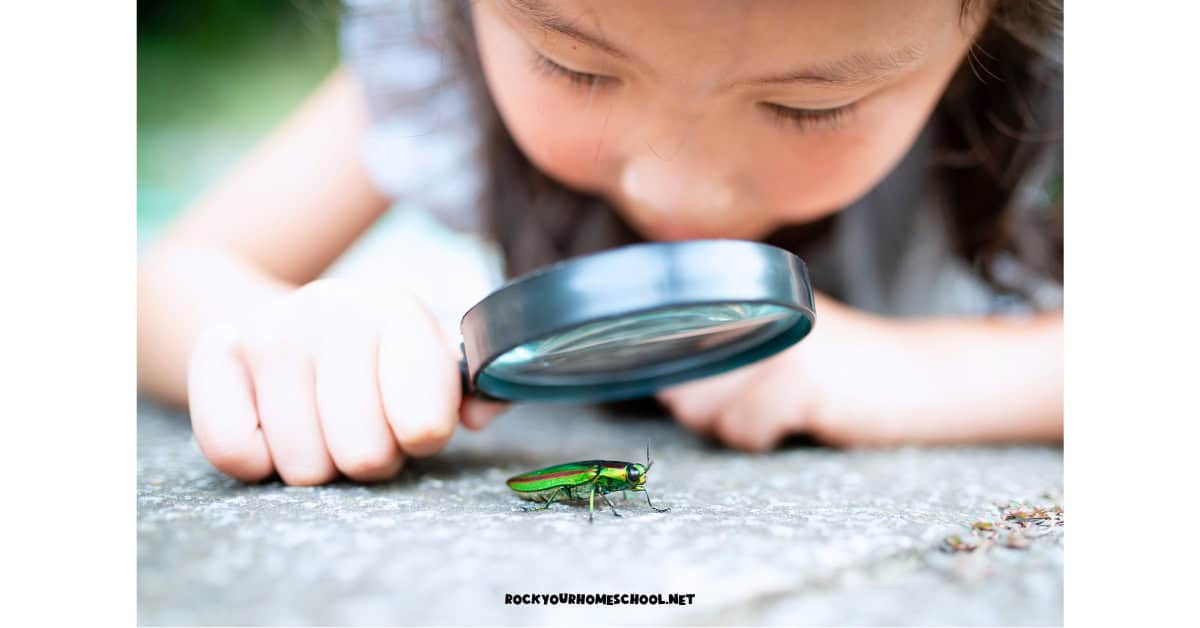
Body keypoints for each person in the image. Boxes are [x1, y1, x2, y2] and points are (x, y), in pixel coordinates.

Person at [137, 0, 1063, 486]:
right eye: (574, 67)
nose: (677, 187)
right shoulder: (437, 56)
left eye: (806, 105)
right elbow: (160, 284)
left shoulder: (1077, 80)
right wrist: (294, 344)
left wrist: (927, 375)